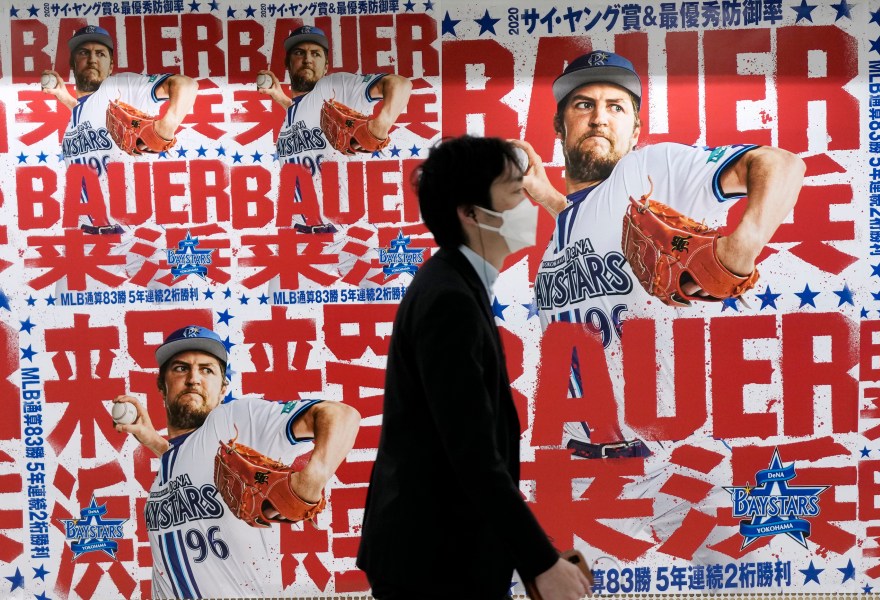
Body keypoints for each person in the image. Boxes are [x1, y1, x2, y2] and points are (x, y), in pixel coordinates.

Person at [513, 49, 805, 458]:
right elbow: (591, 229)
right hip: (586, 461)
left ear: (635, 130)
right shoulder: (569, 223)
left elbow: (781, 165)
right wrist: (547, 196)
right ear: (559, 126)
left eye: (616, 106)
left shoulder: (650, 168)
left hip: (668, 458)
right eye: (584, 104)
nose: (599, 117)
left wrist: (743, 245)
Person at [357, 135, 591, 600]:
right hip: (432, 565)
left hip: (445, 553)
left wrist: (531, 552)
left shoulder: (456, 284)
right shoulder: (449, 301)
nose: (529, 202)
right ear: (473, 214)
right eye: (514, 191)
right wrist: (540, 562)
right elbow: (472, 454)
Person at [113, 325, 360, 598]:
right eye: (181, 368)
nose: (194, 378)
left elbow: (341, 415)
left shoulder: (236, 419)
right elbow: (191, 467)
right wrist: (159, 445)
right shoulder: (170, 466)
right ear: (162, 387)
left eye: (207, 370)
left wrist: (314, 477)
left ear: (223, 389)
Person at [41, 25, 199, 235]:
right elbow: (91, 115)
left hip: (134, 236)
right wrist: (65, 98)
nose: (92, 59)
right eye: (83, 52)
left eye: (100, 53)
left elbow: (186, 84)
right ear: (72, 63)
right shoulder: (80, 112)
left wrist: (167, 126)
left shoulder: (119, 86)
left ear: (111, 65)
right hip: (91, 238)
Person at [257, 25, 412, 233]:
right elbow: (305, 116)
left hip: (343, 234)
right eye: (299, 52)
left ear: (326, 65)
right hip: (303, 235)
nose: (307, 59)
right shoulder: (293, 114)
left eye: (316, 53)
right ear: (288, 63)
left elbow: (400, 84)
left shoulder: (334, 86)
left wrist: (381, 123)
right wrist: (280, 98)